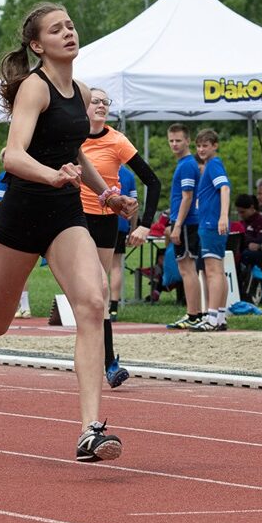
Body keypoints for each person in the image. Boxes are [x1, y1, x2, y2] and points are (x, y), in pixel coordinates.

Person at [0, 2, 137, 462]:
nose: (68, 33)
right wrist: (50, 176)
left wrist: (107, 195)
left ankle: (90, 429)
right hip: (23, 211)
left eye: (70, 25)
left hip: (65, 213)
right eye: (56, 29)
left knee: (92, 301)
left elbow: (76, 153)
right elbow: (12, 155)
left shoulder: (80, 89)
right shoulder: (34, 88)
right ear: (36, 44)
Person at [80, 87, 161, 385]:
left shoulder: (117, 140)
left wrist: (145, 225)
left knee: (99, 291)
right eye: (95, 101)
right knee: (90, 291)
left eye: (105, 102)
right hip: (72, 220)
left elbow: (153, 182)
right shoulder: (71, 138)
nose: (101, 106)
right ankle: (99, 357)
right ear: (83, 107)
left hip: (103, 221)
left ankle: (109, 363)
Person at [165, 123, 205, 330]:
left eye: (178, 140)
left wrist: (177, 225)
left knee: (187, 268)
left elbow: (187, 197)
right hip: (185, 221)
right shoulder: (184, 164)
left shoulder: (188, 165)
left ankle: (193, 314)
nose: (174, 144)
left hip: (187, 222)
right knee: (187, 269)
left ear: (187, 141)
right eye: (171, 140)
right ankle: (195, 313)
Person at [190, 129, 231, 332]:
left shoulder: (214, 164)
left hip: (211, 223)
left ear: (215, 145)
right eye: (198, 146)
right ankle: (219, 316)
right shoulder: (210, 165)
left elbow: (224, 188)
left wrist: (223, 216)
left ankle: (212, 317)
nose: (201, 149)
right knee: (218, 271)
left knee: (212, 271)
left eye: (205, 145)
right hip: (211, 222)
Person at [0, 149, 32, 318]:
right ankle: (24, 305)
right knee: (23, 268)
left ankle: (8, 306)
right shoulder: (29, 174)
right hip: (29, 221)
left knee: (7, 270)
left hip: (11, 224)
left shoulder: (5, 176)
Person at [109, 165, 138, 323]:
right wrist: (132, 229)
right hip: (121, 224)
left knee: (100, 265)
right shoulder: (129, 175)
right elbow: (135, 204)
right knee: (116, 265)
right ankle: (113, 306)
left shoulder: (102, 167)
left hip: (103, 221)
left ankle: (102, 303)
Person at [234, 193, 262, 289]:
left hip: (259, 254)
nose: (240, 215)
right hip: (242, 251)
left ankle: (246, 286)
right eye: (239, 212)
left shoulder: (261, 222)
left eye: (243, 212)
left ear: (251, 207)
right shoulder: (242, 223)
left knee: (247, 255)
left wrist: (248, 241)